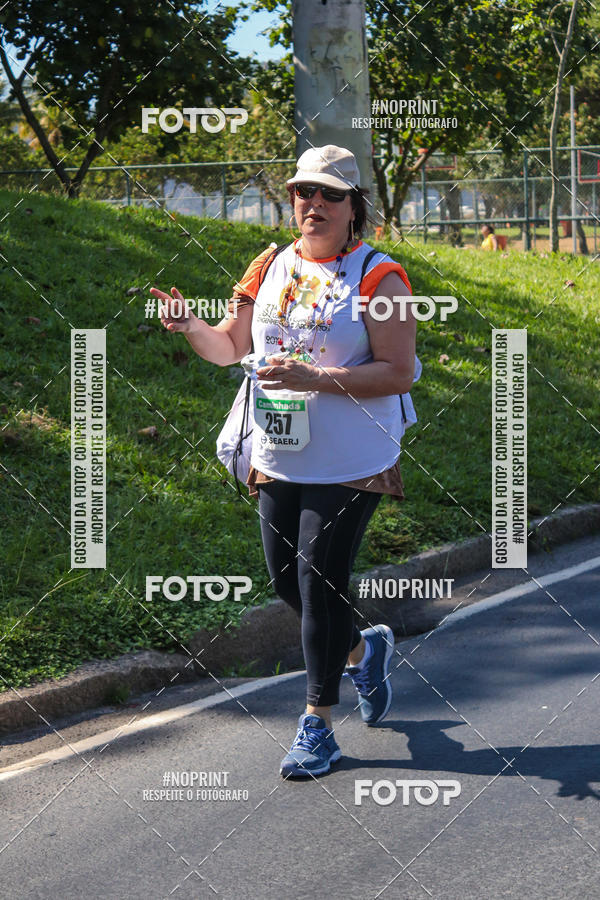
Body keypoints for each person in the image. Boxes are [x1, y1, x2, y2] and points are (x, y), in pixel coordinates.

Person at [151, 145, 417, 779]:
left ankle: (318, 724)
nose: (314, 204)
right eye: (303, 192)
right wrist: (191, 326)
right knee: (285, 583)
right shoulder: (268, 265)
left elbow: (399, 371)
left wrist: (315, 377)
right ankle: (361, 647)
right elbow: (229, 348)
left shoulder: (382, 278)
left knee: (318, 582)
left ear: (355, 207)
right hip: (279, 451)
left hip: (352, 458)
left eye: (329, 194)